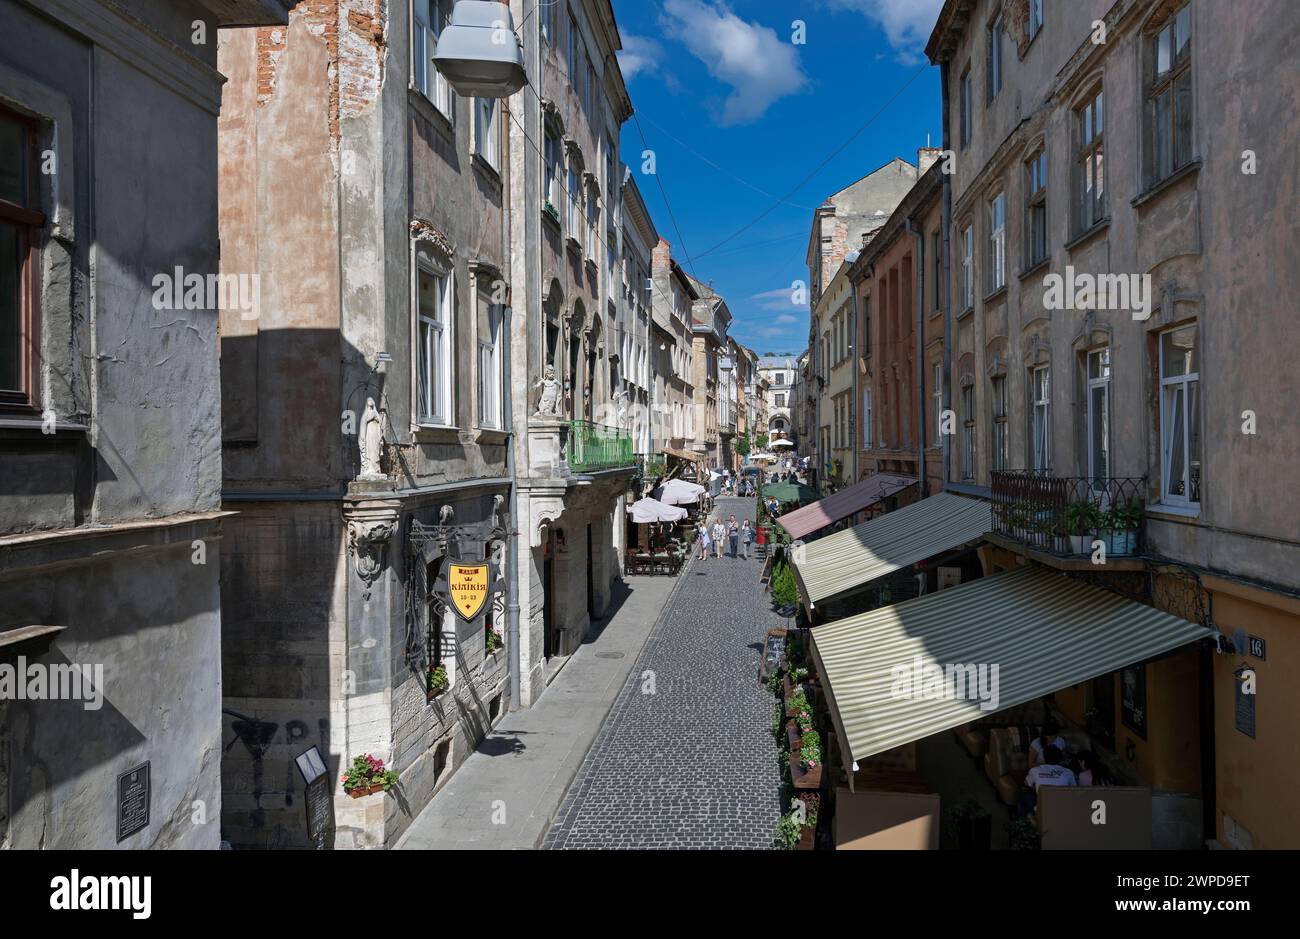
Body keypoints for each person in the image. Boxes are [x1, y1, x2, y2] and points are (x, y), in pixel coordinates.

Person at [1019, 744, 1076, 817]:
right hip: (1064, 809)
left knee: (1023, 795)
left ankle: (1023, 823)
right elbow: (1074, 790)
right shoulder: (1068, 772)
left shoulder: (1035, 770)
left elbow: (1027, 783)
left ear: (1044, 757)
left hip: (1042, 810)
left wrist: (1037, 785)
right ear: (1060, 758)